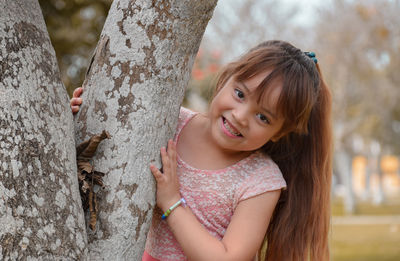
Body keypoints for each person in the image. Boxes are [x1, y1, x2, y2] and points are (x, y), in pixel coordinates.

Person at [71, 40, 332, 261]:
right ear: (226, 78)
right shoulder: (169, 123)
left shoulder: (260, 180)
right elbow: (111, 136)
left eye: (263, 117)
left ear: (279, 133)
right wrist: (84, 113)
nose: (241, 116)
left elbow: (229, 257)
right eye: (240, 94)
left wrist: (172, 203)